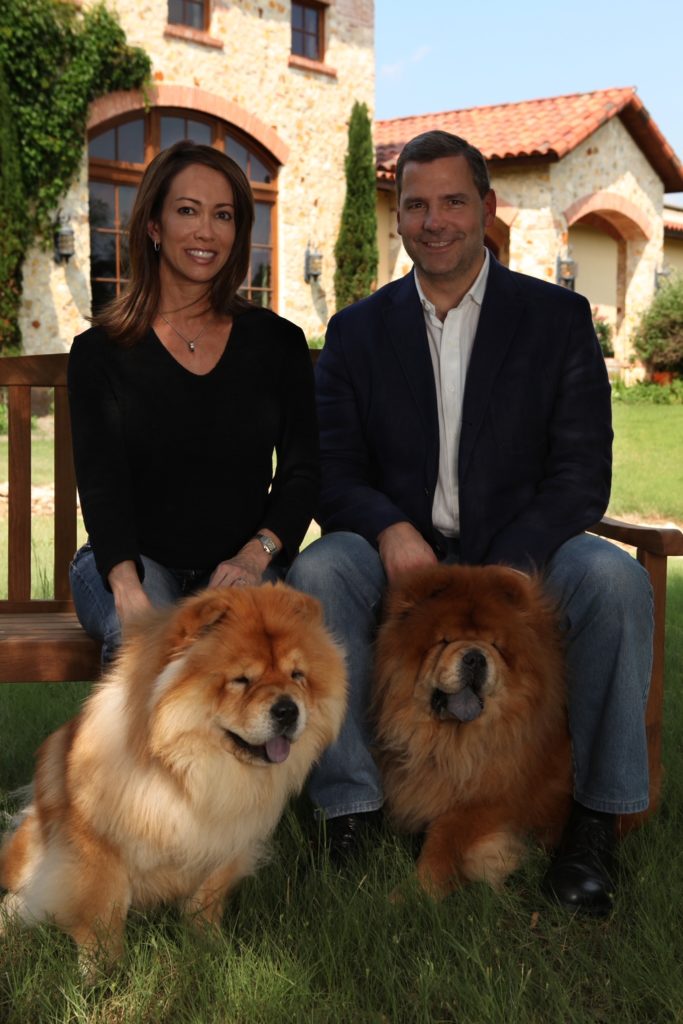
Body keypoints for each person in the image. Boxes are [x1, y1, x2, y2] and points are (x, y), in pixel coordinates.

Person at [287, 130, 653, 915]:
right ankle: (350, 810)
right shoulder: (358, 331)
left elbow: (581, 473)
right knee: (320, 571)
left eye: (453, 201)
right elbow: (334, 471)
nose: (434, 220)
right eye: (415, 205)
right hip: (405, 556)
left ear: (485, 208)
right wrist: (386, 529)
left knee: (615, 579)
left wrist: (511, 560)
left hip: (522, 552)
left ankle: (597, 813)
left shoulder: (556, 319)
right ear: (400, 219)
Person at [69, 141, 318, 663]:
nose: (206, 231)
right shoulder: (101, 353)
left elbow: (303, 472)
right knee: (152, 648)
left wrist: (256, 556)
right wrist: (127, 587)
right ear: (154, 227)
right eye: (188, 211)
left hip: (240, 565)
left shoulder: (277, 344)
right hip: (133, 561)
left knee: (250, 658)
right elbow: (101, 484)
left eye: (223, 215)